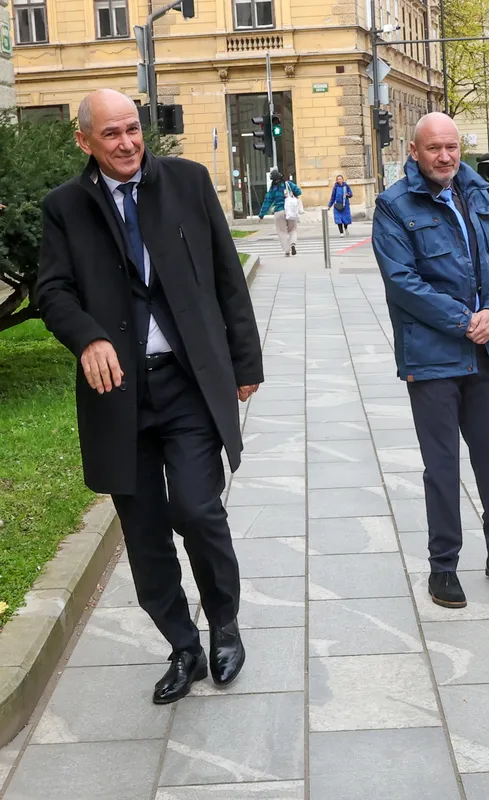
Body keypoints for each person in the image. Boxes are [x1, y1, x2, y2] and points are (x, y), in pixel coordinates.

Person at [36, 89, 263, 705]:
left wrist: (245, 362)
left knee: (196, 509)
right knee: (143, 532)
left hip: (186, 382)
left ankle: (224, 623)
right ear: (85, 141)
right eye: (111, 134)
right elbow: (51, 291)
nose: (127, 143)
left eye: (132, 129)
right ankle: (183, 645)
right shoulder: (65, 208)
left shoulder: (187, 182)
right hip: (117, 397)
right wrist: (86, 339)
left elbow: (226, 277)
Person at [372, 111, 489, 609]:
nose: (444, 156)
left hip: (483, 354)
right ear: (414, 150)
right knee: (441, 465)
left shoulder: (479, 195)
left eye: (451, 146)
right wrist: (465, 319)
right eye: (433, 148)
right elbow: (402, 282)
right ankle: (443, 564)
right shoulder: (394, 206)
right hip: (432, 357)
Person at [258, 169, 302, 256]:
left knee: (282, 232)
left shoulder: (273, 189)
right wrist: (292, 193)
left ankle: (287, 251)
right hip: (290, 211)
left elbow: (267, 202)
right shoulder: (288, 184)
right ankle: (293, 243)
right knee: (292, 229)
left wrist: (261, 215)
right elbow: (299, 191)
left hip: (279, 211)